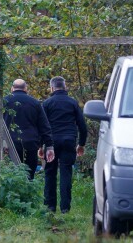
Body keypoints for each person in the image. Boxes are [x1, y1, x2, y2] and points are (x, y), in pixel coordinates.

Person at [41, 76, 87, 213]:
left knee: (50, 172)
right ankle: (65, 208)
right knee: (66, 172)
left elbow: (42, 126)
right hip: (69, 140)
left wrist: (40, 146)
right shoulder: (73, 103)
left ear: (52, 88)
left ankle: (50, 206)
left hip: (51, 143)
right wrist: (81, 144)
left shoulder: (47, 103)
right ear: (65, 87)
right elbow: (82, 126)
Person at [3, 78, 55, 180]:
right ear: (26, 89)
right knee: (29, 176)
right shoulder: (34, 103)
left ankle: (13, 195)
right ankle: (28, 194)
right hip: (30, 144)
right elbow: (44, 126)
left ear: (12, 88)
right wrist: (49, 146)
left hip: (10, 144)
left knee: (11, 175)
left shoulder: (4, 102)